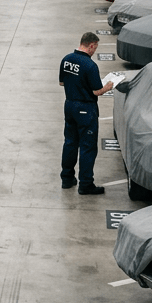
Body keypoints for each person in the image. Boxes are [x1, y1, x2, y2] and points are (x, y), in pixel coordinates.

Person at [59, 32, 115, 194]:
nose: (94, 51)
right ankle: (85, 184)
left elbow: (62, 82)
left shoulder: (67, 59)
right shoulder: (90, 65)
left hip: (69, 105)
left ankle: (67, 178)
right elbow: (97, 91)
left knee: (70, 142)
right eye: (95, 48)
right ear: (91, 45)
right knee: (87, 147)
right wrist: (109, 86)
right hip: (85, 109)